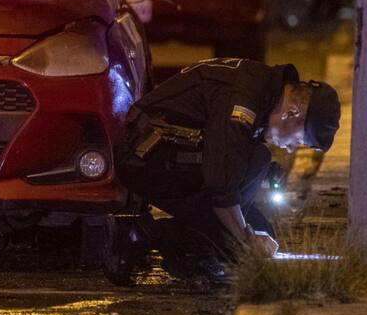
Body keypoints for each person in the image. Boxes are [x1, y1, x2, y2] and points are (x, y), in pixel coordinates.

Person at [112, 57, 341, 280]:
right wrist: (245, 240)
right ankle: (146, 235)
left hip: (172, 155)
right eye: (298, 140)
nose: (291, 150)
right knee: (239, 235)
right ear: (292, 111)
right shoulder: (246, 96)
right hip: (144, 157)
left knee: (263, 231)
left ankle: (194, 248)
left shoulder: (265, 88)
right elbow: (221, 182)